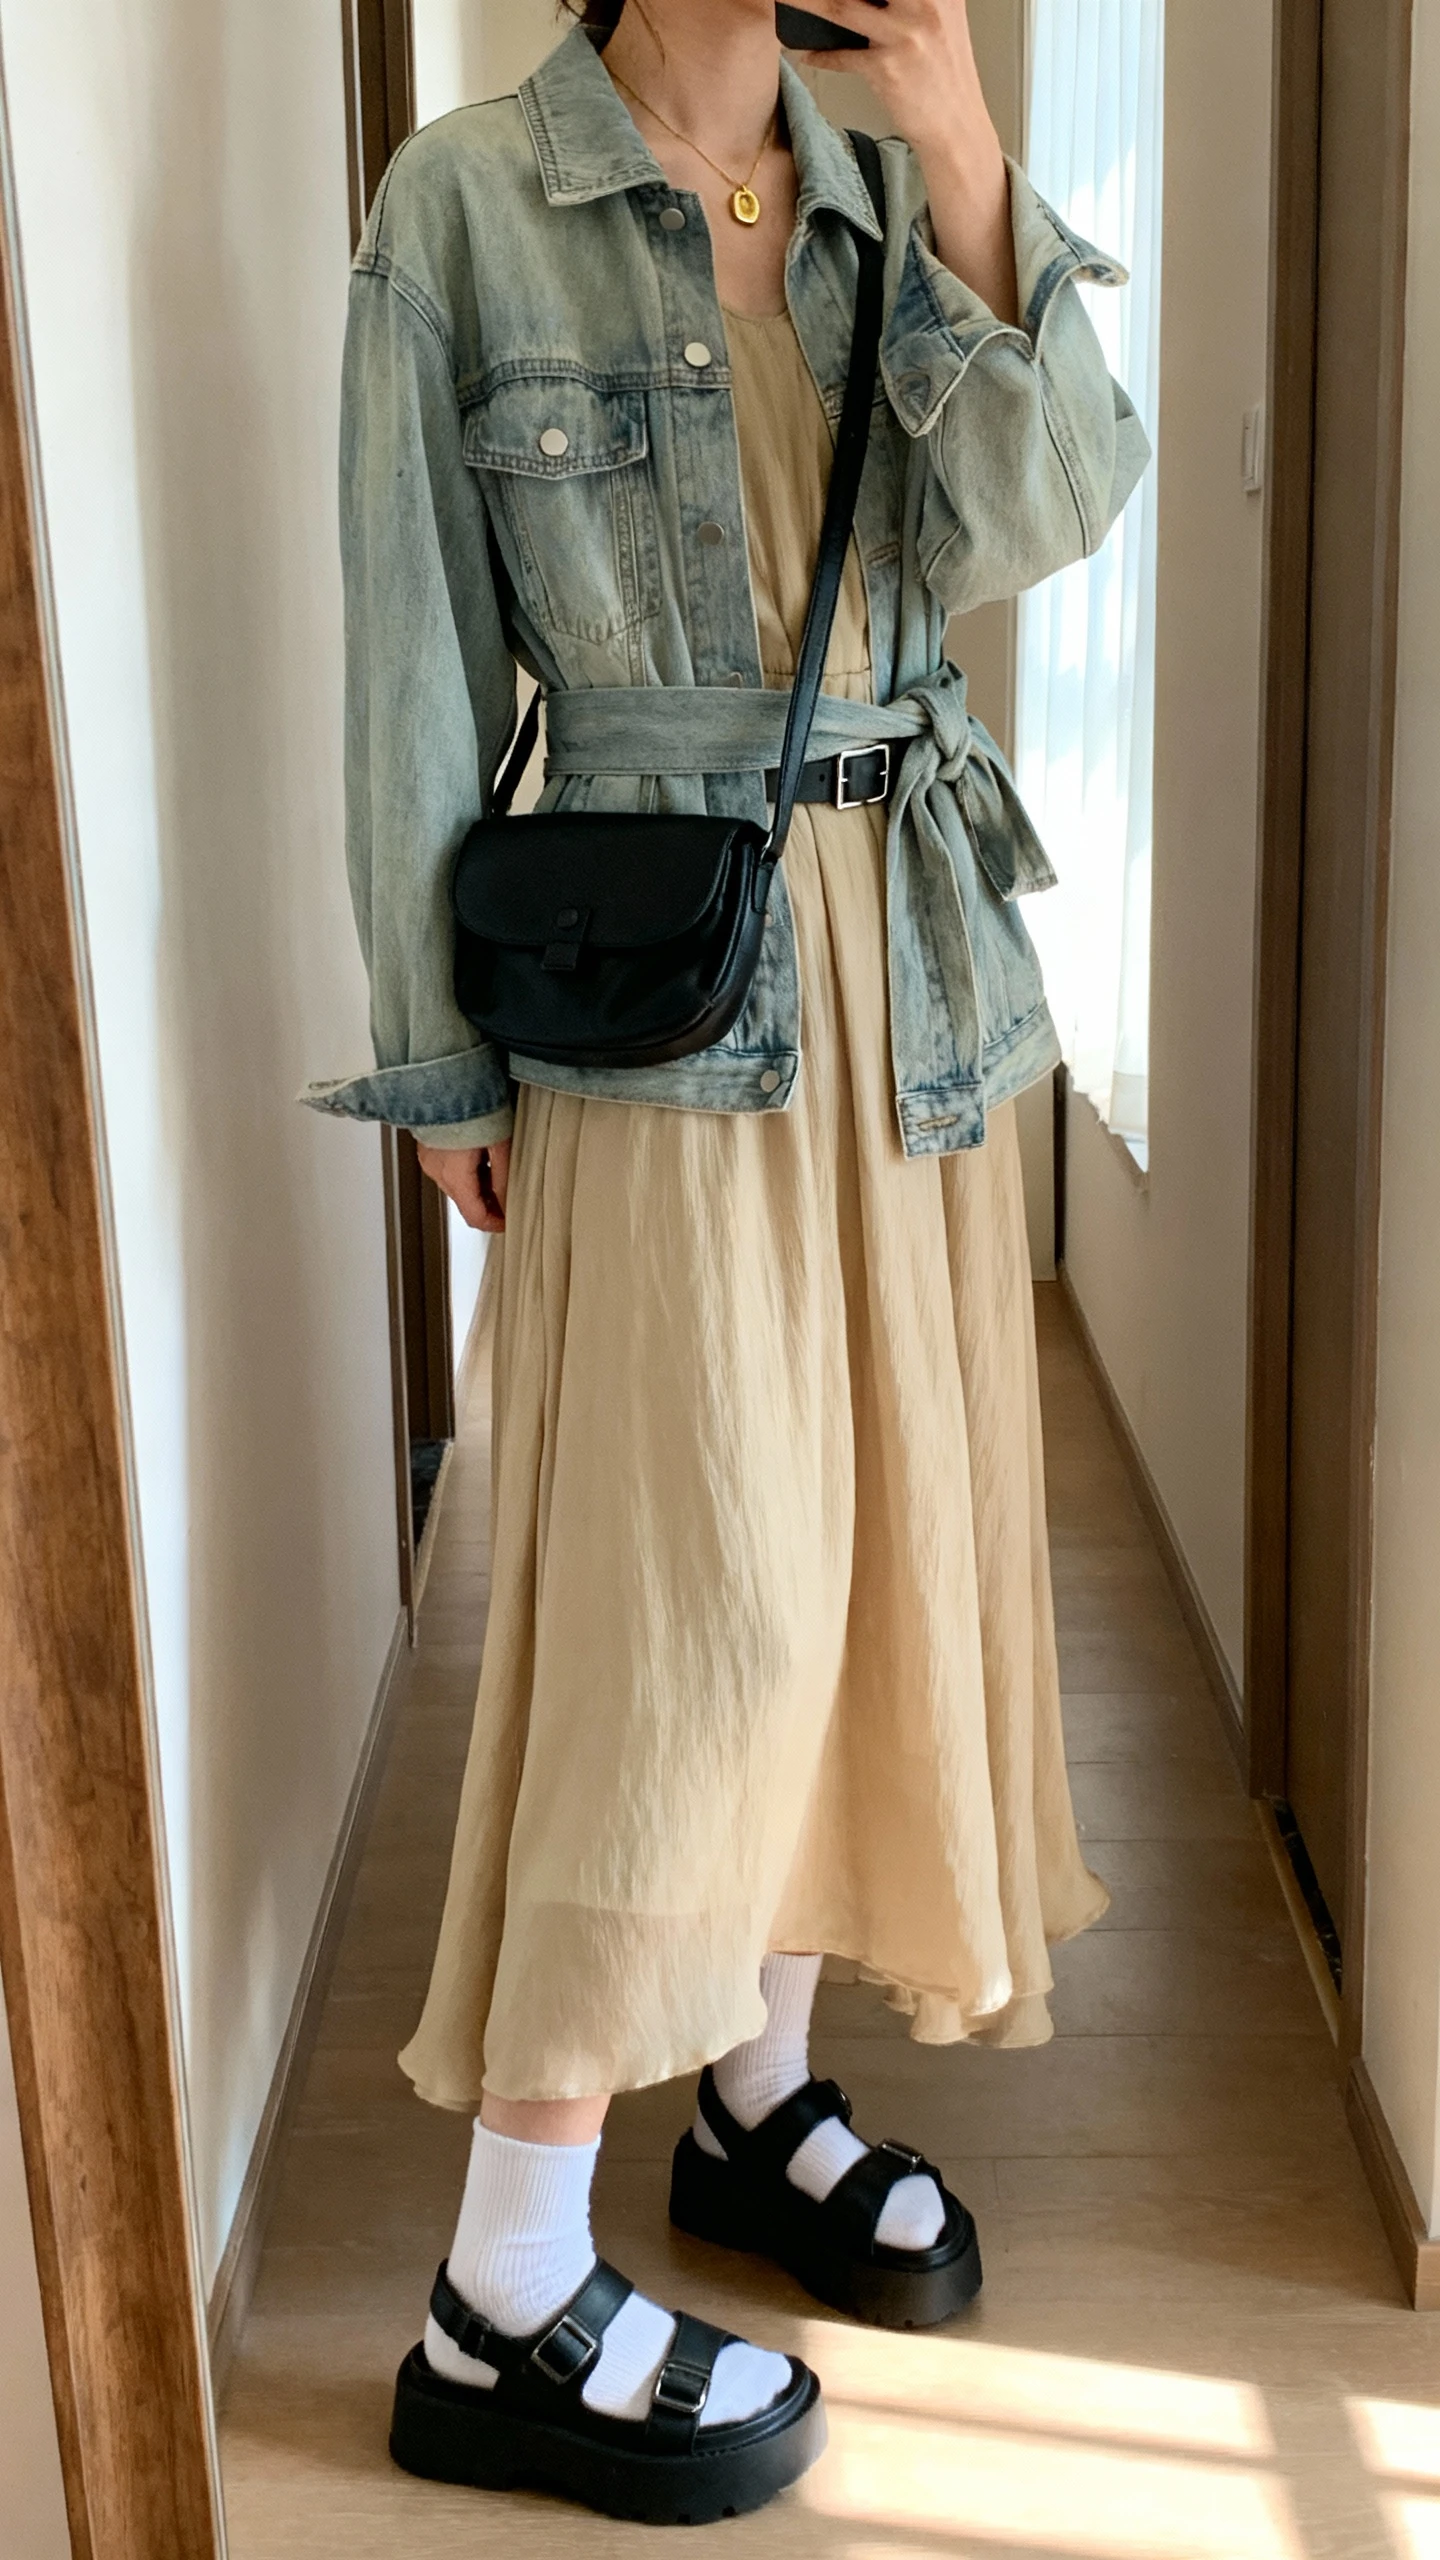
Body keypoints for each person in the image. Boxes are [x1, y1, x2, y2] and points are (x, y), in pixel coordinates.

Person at [307, 0, 1148, 2523]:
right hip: (662, 998)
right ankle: (505, 2282)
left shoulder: (896, 183)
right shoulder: (470, 204)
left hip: (911, 984)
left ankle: (756, 2103)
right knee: (702, 1609)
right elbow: (414, 674)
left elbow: (1046, 508)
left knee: (866, 1571)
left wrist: (974, 157)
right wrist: (441, 1056)